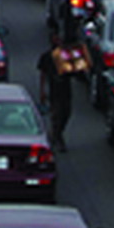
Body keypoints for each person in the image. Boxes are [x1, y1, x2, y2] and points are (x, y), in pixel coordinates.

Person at [37, 13, 89, 151]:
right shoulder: (47, 57)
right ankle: (57, 138)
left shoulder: (66, 55)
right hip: (54, 89)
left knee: (66, 113)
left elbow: (76, 69)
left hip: (66, 88)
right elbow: (43, 74)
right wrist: (42, 91)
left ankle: (56, 135)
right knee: (57, 115)